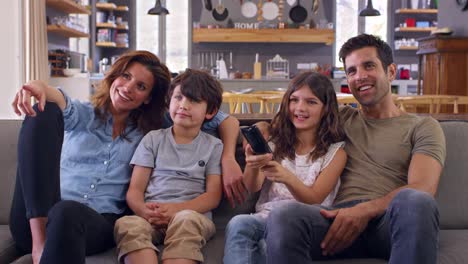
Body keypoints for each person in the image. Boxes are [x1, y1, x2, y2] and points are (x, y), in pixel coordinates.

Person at [9, 51, 240, 264]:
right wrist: (37, 86)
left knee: (66, 212)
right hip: (36, 220)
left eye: (140, 86)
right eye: (125, 76)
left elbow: (224, 119)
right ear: (114, 76)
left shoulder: (153, 129)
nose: (128, 88)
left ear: (149, 98)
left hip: (91, 225)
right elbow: (55, 97)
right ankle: (40, 241)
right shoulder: (83, 114)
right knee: (43, 109)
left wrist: (228, 157)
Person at [266, 34, 446, 264]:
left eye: (368, 66)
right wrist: (260, 128)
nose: (360, 76)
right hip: (334, 221)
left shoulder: (423, 126)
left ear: (391, 72)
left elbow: (423, 186)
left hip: (388, 221)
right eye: (351, 71)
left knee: (417, 201)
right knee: (284, 215)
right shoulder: (339, 118)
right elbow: (288, 121)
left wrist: (364, 210)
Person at [223, 71, 347, 264]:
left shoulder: (335, 152)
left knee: (267, 247)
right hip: (265, 216)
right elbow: (252, 186)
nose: (299, 108)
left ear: (326, 109)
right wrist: (254, 162)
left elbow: (315, 199)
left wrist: (286, 176)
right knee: (239, 223)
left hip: (305, 223)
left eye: (311, 102)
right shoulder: (274, 142)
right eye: (294, 100)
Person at [113, 69, 223, 264]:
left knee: (186, 220)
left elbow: (213, 196)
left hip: (192, 215)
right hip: (151, 216)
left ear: (211, 111)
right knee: (127, 223)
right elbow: (135, 190)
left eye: (194, 101)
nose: (183, 105)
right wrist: (143, 211)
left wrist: (177, 210)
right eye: (178, 97)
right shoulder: (153, 139)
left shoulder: (213, 145)